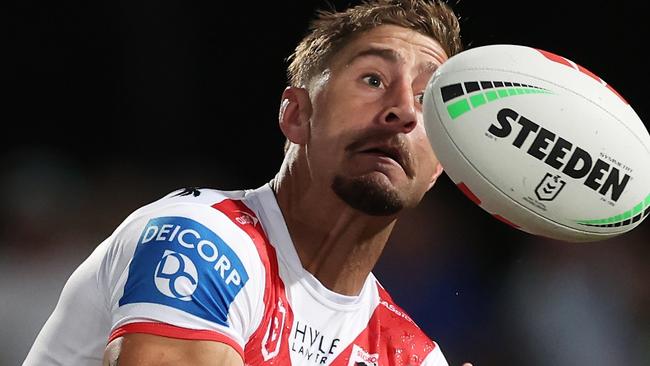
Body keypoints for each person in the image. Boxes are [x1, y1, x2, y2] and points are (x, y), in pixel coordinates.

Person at [24, 0, 468, 365]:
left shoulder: (412, 354)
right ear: (296, 115)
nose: (403, 112)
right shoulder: (197, 239)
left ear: (439, 167)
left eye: (427, 99)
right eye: (373, 79)